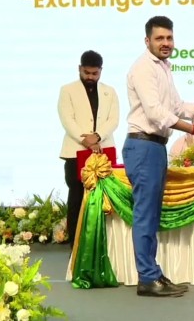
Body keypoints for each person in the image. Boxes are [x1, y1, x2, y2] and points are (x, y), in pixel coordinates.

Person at [124, 16, 194, 297]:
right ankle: (147, 278)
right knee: (145, 215)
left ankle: (153, 274)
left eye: (169, 38)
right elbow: (156, 113)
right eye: (159, 38)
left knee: (151, 216)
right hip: (143, 146)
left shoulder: (164, 67)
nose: (166, 43)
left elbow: (177, 106)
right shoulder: (143, 68)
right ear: (147, 41)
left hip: (155, 147)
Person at [57, 50, 120, 244]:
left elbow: (113, 119)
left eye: (95, 73)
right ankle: (76, 247)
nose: (90, 77)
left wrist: (98, 136)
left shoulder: (110, 91)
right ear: (79, 69)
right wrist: (86, 140)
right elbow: (67, 119)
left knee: (105, 198)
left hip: (103, 151)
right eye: (87, 73)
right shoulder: (67, 90)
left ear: (101, 71)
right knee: (76, 198)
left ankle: (104, 244)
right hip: (75, 152)